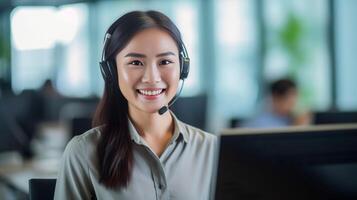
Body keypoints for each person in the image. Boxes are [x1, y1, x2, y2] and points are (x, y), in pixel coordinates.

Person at [54, 10, 217, 200]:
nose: (151, 78)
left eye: (165, 61)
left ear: (183, 68)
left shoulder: (213, 150)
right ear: (112, 71)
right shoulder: (83, 152)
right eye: (136, 62)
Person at [242, 78, 311, 128]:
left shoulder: (292, 119)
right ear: (275, 98)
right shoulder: (260, 122)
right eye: (289, 101)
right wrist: (296, 127)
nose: (293, 105)